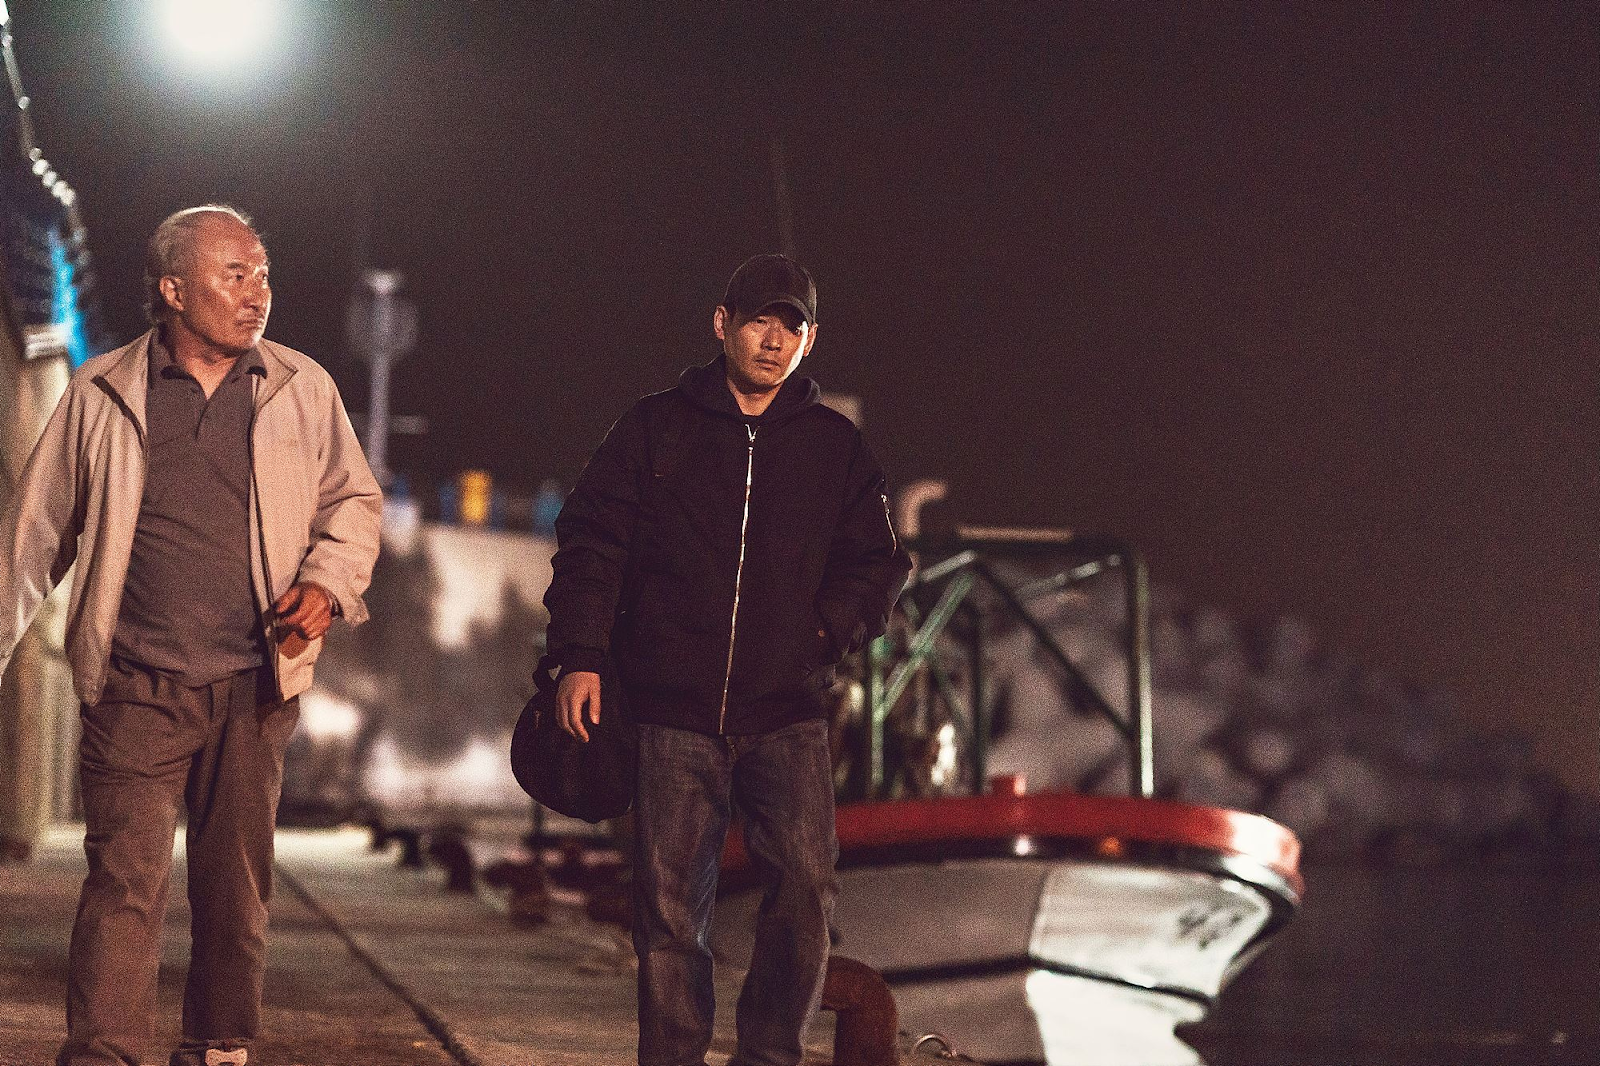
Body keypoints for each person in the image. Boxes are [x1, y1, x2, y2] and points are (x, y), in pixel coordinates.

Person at [0, 205, 382, 1066]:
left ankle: (217, 1045)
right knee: (123, 885)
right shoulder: (102, 393)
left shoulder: (299, 388)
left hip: (254, 685)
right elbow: (32, 537)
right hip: (134, 683)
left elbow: (354, 504)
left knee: (235, 891)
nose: (258, 294)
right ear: (173, 290)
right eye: (234, 275)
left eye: (263, 274)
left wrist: (327, 584)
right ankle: (105, 1053)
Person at [543, 254, 911, 1066]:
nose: (774, 340)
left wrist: (819, 637)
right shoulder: (654, 428)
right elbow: (591, 543)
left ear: (811, 341)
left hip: (787, 712)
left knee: (806, 892)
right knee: (671, 912)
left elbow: (879, 565)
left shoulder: (836, 448)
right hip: (671, 712)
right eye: (759, 321)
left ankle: (770, 1055)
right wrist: (580, 655)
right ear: (722, 324)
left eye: (792, 327)